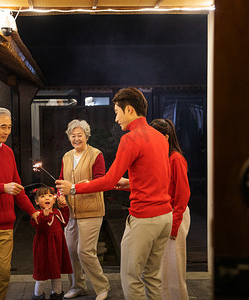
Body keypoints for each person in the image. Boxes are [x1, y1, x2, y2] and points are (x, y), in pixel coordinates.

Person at [56, 87, 172, 300]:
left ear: (129, 109)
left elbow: (108, 181)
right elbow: (159, 179)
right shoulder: (159, 138)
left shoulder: (130, 139)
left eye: (117, 111)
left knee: (131, 278)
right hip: (165, 217)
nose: (116, 118)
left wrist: (73, 188)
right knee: (153, 277)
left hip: (144, 218)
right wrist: (128, 183)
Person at [0, 107, 40, 300]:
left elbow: (17, 188)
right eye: (3, 127)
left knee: (3, 275)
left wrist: (33, 212)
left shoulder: (8, 153)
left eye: (10, 127)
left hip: (6, 225)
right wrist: (2, 188)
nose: (7, 131)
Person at [58, 119, 110, 300]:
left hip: (92, 209)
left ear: (87, 136)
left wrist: (75, 186)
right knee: (70, 248)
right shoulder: (66, 156)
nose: (76, 138)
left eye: (80, 135)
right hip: (71, 211)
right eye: (73, 135)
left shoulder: (96, 155)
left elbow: (100, 180)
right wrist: (60, 196)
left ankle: (102, 287)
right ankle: (77, 285)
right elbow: (60, 181)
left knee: (85, 250)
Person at [150, 119, 191, 300]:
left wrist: (175, 224)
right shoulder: (159, 157)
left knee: (174, 267)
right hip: (162, 214)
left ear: (165, 137)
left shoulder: (176, 159)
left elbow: (183, 194)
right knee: (161, 267)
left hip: (176, 214)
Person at [30, 186, 72, 300]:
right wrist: (46, 215)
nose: (47, 198)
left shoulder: (57, 212)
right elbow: (41, 226)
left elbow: (64, 223)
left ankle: (57, 294)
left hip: (57, 247)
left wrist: (64, 208)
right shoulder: (37, 214)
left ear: (54, 199)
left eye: (50, 195)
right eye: (42, 196)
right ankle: (38, 295)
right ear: (37, 201)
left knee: (56, 272)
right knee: (42, 274)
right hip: (43, 248)